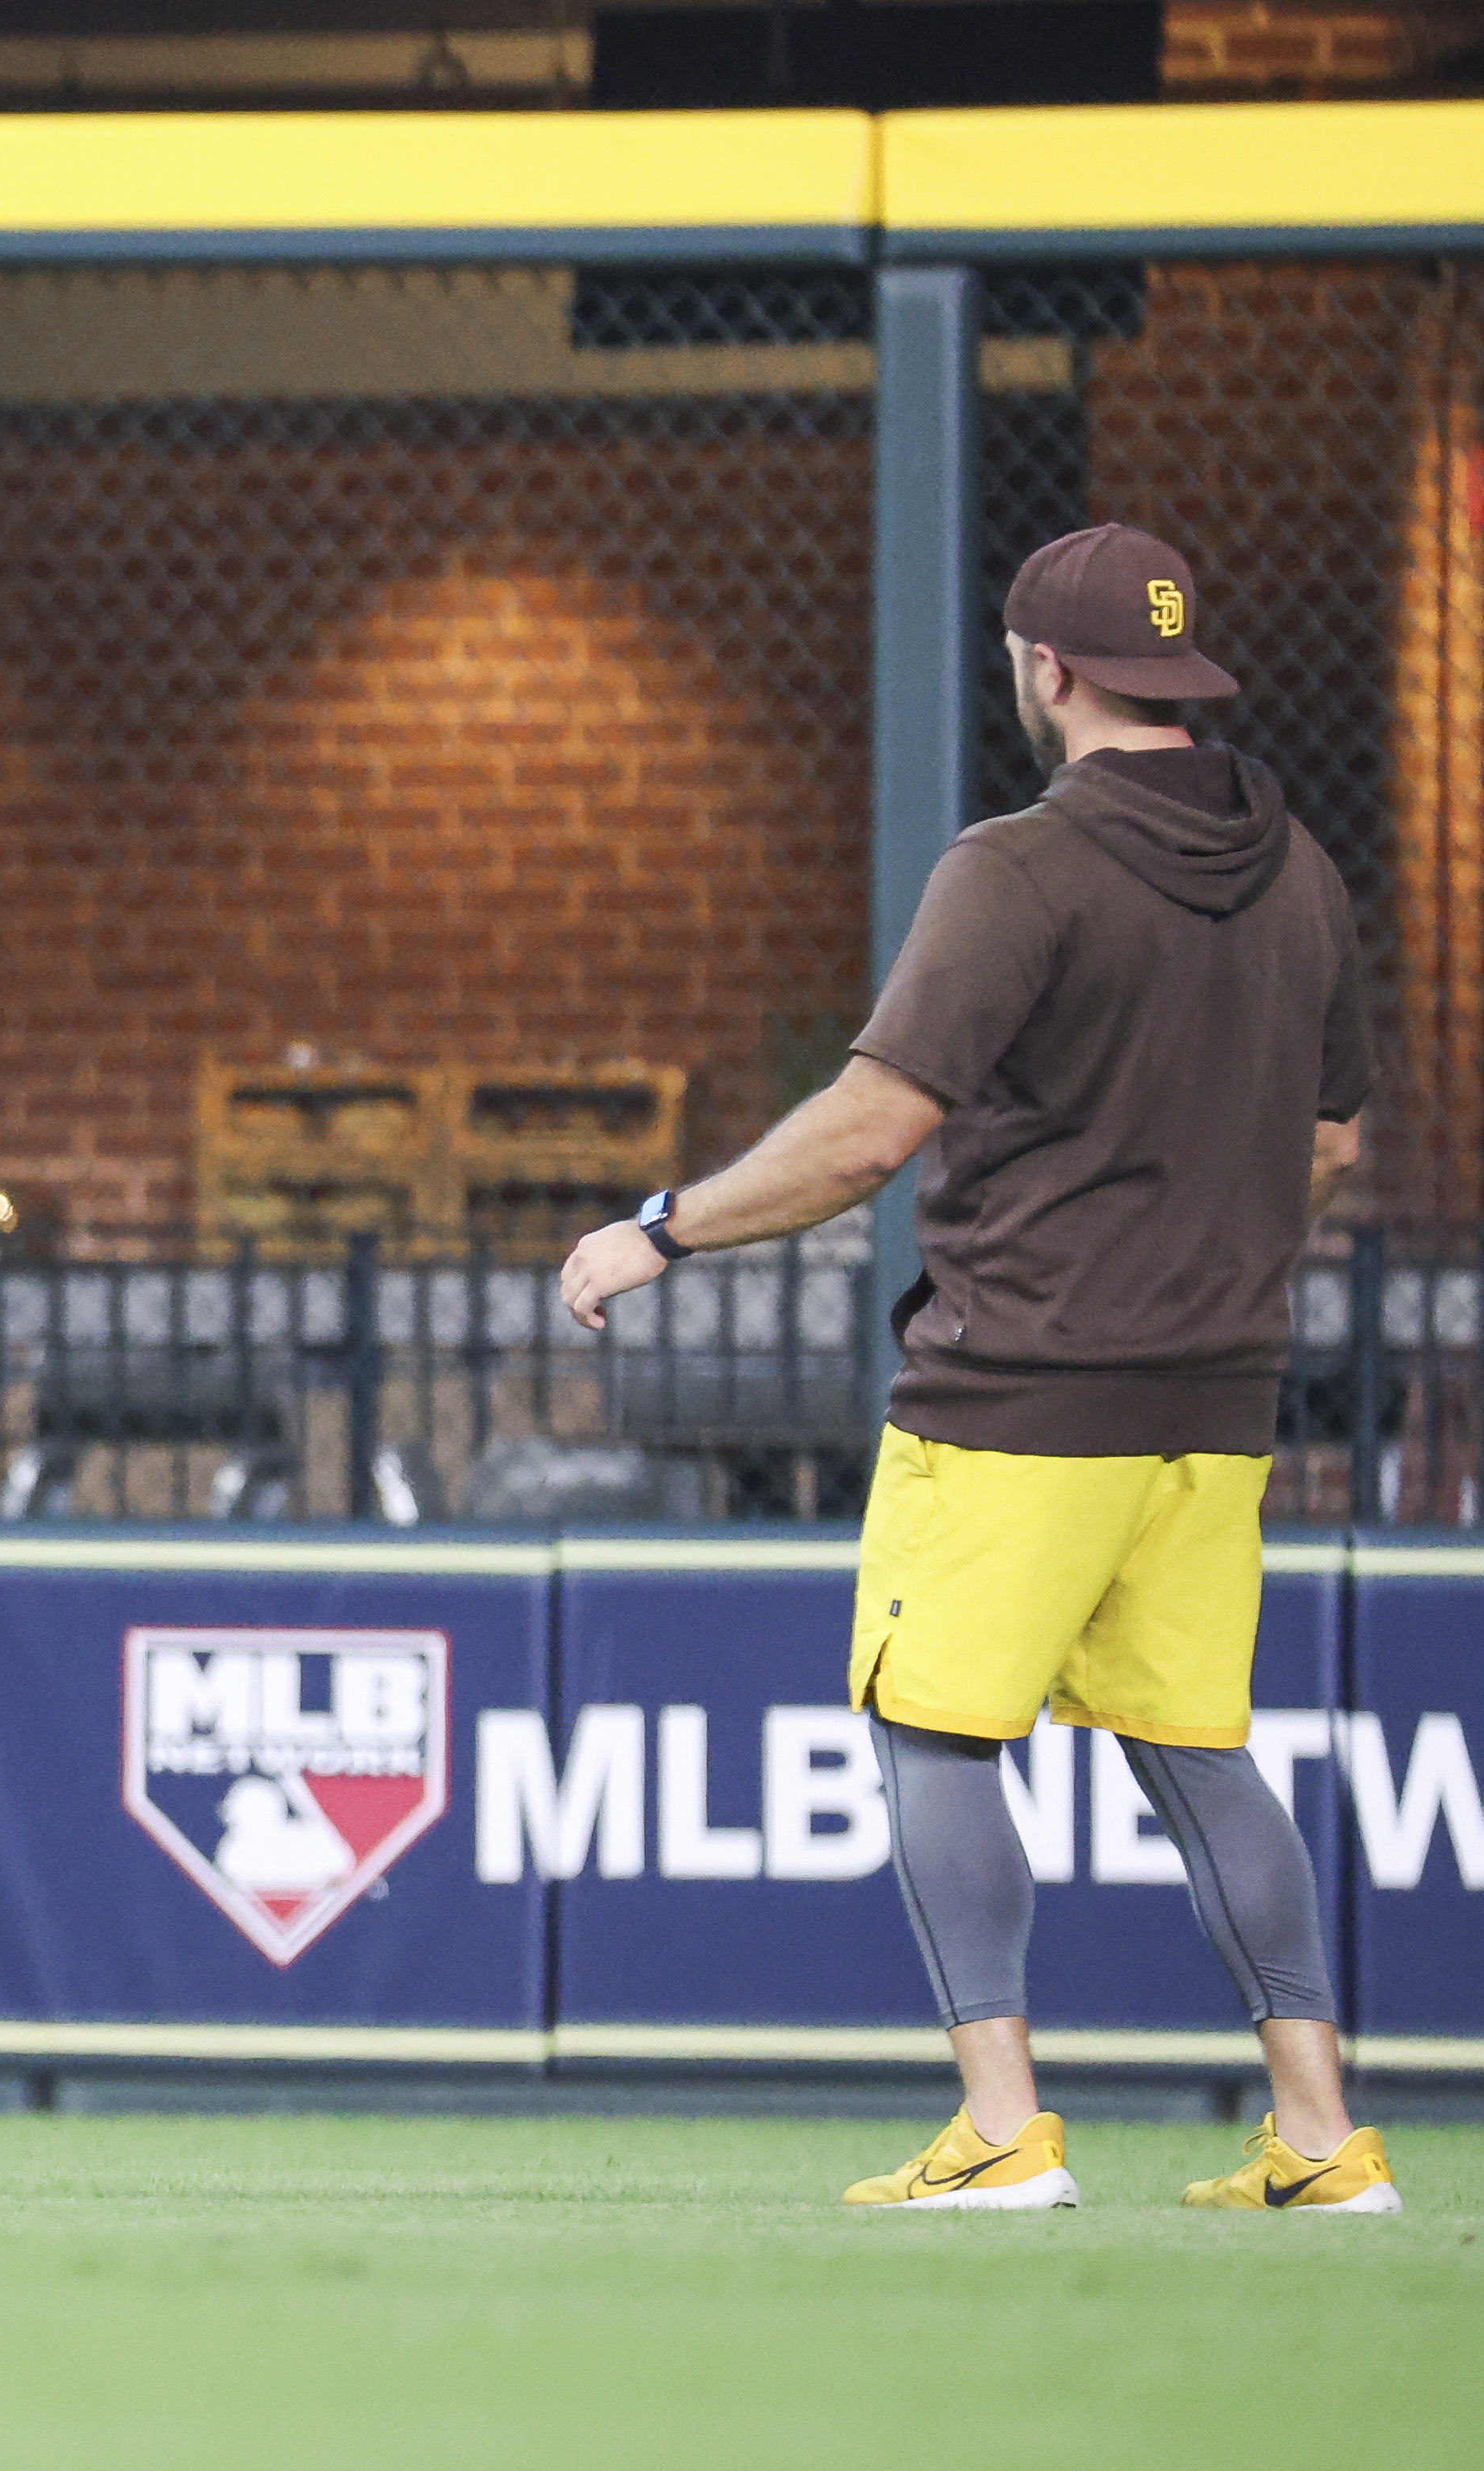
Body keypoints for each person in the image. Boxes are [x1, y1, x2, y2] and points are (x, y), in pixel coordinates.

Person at [560, 523, 1397, 2214]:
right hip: (1214, 1401)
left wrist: (661, 1229)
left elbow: (870, 1131)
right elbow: (1334, 1140)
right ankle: (1322, 2138)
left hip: (1022, 1391)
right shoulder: (1301, 868)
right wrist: (1197, 1232)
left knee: (935, 1732)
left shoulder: (1018, 868)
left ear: (1046, 669)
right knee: (1197, 1750)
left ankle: (1006, 2129)